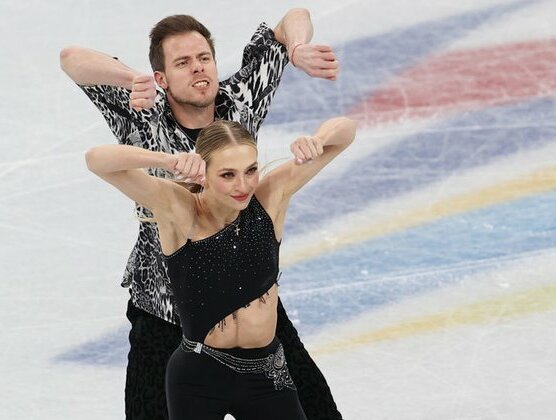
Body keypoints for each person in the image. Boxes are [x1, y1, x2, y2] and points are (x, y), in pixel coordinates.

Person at [60, 10, 343, 420]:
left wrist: (295, 48)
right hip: (165, 313)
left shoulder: (240, 100)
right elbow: (72, 58)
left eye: (203, 58)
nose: (198, 69)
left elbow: (293, 18)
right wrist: (130, 79)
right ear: (162, 79)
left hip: (249, 314)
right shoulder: (143, 110)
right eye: (182, 63)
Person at [84, 116, 356, 419]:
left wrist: (316, 140)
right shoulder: (180, 210)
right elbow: (96, 160)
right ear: (204, 173)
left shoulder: (270, 198)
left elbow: (346, 131)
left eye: (250, 170)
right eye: (228, 175)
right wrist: (167, 160)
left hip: (266, 375)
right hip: (198, 376)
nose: (243, 185)